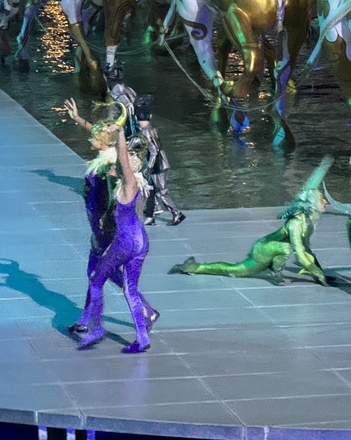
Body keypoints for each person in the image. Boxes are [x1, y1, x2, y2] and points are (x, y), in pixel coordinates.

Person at [64, 99, 159, 340]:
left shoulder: (108, 164)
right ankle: (86, 320)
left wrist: (105, 222)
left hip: (104, 225)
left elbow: (115, 168)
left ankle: (143, 310)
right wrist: (79, 120)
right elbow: (100, 135)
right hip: (96, 222)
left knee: (99, 273)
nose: (90, 138)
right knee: (95, 272)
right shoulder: (104, 154)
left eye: (94, 135)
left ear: (103, 142)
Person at [169, 158, 333, 284]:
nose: (326, 202)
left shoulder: (308, 221)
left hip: (269, 248)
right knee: (279, 251)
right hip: (264, 249)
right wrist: (318, 274)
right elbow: (301, 254)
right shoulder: (295, 224)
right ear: (312, 205)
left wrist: (319, 273)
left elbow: (307, 250)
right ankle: (274, 273)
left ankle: (194, 267)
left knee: (235, 269)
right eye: (322, 200)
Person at [131, 95, 185, 226]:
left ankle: (176, 213)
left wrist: (148, 168)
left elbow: (154, 150)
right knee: (150, 190)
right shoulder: (151, 129)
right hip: (159, 163)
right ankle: (150, 216)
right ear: (149, 116)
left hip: (158, 165)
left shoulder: (145, 132)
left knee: (161, 191)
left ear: (136, 117)